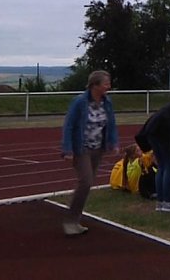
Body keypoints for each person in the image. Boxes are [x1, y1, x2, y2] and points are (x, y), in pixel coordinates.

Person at [61, 70, 119, 236]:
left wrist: (113, 142)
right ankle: (70, 221)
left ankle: (75, 220)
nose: (109, 86)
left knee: (88, 184)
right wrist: (67, 149)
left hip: (97, 148)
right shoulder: (80, 102)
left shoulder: (107, 102)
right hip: (82, 148)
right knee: (85, 181)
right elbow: (69, 125)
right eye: (106, 83)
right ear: (95, 85)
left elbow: (111, 123)